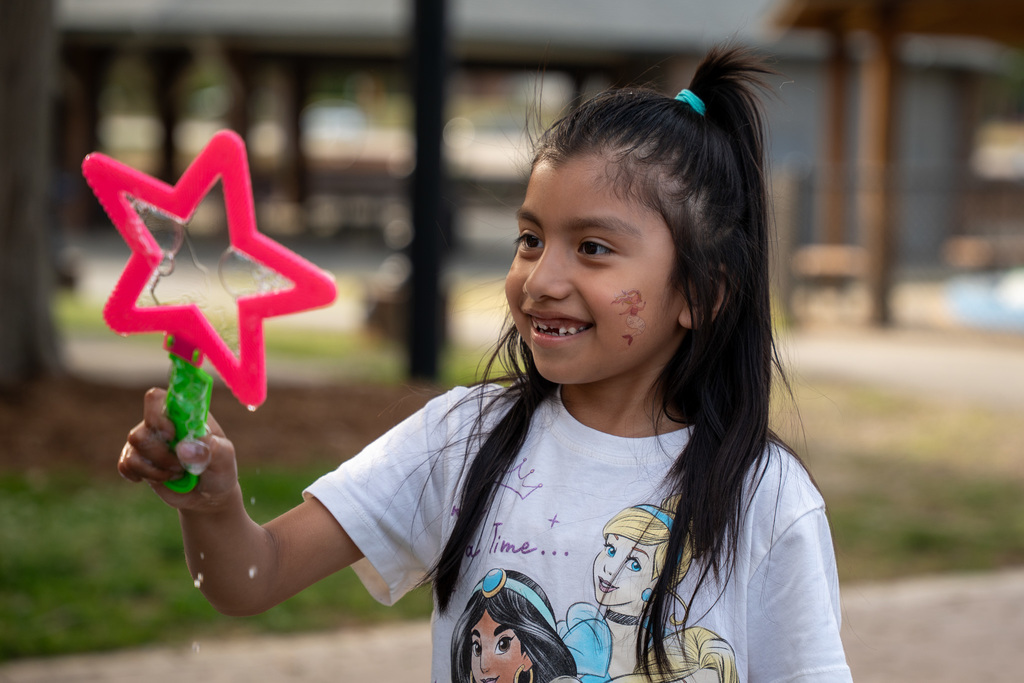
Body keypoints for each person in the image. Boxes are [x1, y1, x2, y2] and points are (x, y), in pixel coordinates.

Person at [119, 44, 852, 682]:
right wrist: (212, 505)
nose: (541, 278)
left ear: (700, 291)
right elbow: (250, 578)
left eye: (592, 247)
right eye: (531, 238)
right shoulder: (461, 438)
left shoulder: (766, 498)